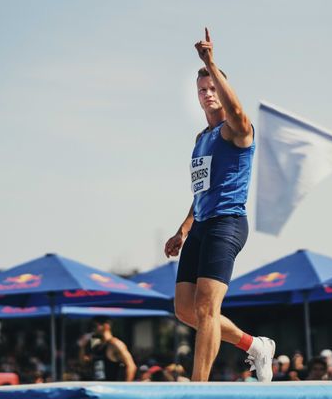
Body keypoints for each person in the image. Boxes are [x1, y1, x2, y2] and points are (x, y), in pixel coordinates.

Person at [164, 27, 275, 383]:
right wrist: (182, 231)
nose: (207, 94)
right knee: (185, 310)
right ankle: (254, 345)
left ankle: (197, 388)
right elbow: (200, 192)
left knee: (206, 308)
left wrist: (210, 62)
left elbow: (238, 109)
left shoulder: (237, 129)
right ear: (197, 98)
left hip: (227, 223)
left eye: (213, 87)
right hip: (202, 223)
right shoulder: (201, 139)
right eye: (202, 90)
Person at [90, 317, 137, 381]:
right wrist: (81, 347)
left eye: (95, 326)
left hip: (111, 388)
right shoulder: (97, 346)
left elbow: (131, 366)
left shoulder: (115, 344)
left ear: (106, 326)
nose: (93, 330)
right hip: (98, 387)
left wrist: (126, 386)